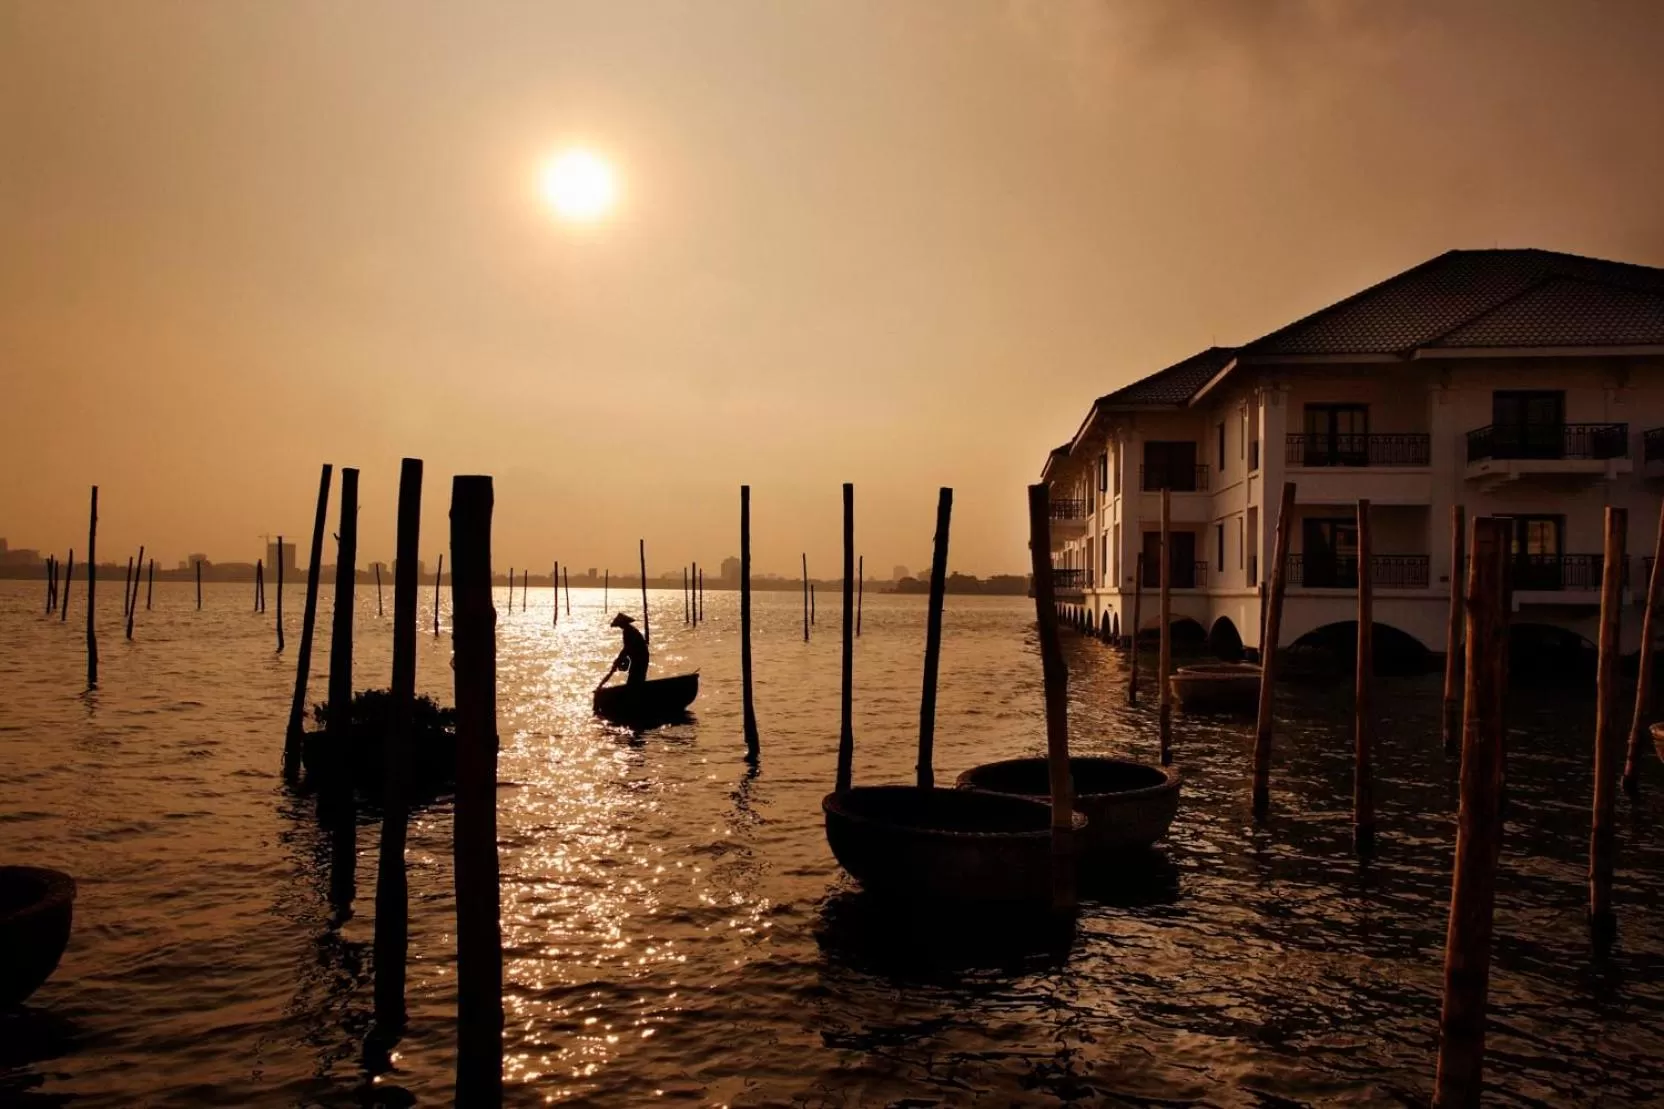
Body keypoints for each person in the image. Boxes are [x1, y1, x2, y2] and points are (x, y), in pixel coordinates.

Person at [610, 612, 649, 686]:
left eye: (620, 624)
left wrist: (619, 659)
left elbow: (627, 648)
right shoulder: (629, 630)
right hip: (640, 658)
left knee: (634, 680)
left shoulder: (628, 631)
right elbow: (627, 648)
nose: (620, 626)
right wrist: (619, 659)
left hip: (640, 658)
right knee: (637, 679)